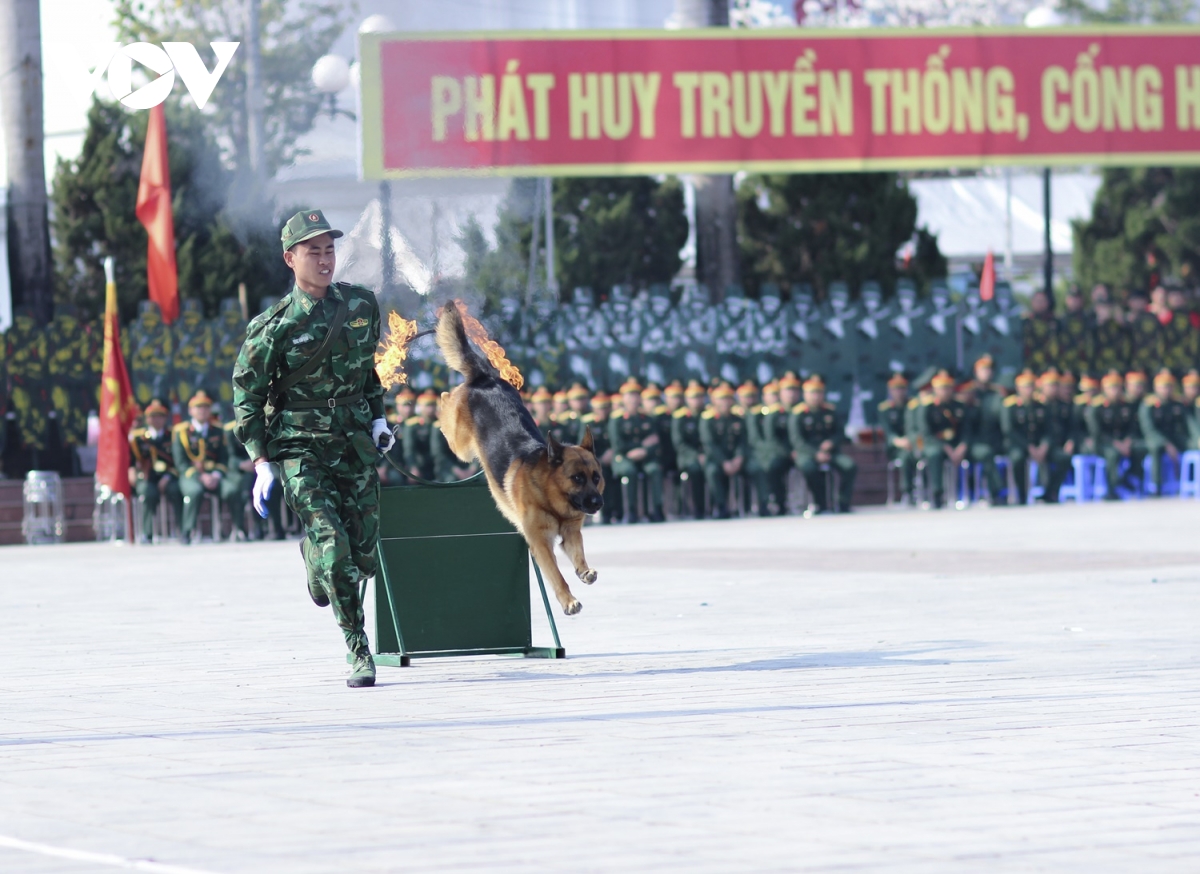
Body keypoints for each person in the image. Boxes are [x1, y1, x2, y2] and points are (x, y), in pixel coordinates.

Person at [232, 208, 390, 688]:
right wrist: (261, 461)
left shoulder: (361, 306)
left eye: (329, 249)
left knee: (364, 553)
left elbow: (367, 374)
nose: (324, 260)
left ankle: (317, 563)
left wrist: (379, 418)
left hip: (354, 444)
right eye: (313, 251)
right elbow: (247, 395)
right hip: (300, 450)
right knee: (335, 544)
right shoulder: (272, 326)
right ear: (290, 258)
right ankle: (358, 649)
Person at [173, 391, 234, 543]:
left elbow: (224, 458)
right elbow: (180, 463)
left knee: (231, 490)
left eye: (206, 407)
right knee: (194, 492)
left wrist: (215, 475)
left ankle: (237, 530)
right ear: (190, 410)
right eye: (198, 407)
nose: (202, 410)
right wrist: (200, 476)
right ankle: (187, 532)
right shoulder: (182, 432)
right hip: (191, 476)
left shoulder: (218, 431)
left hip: (214, 476)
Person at [789, 375, 856, 512]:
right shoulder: (798, 414)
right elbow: (797, 440)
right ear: (805, 394)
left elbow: (840, 433)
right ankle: (821, 503)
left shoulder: (830, 411)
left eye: (818, 392)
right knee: (809, 469)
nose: (816, 396)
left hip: (830, 452)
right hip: (807, 453)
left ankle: (843, 502)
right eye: (812, 393)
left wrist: (831, 443)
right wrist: (816, 454)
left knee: (850, 466)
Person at [609, 378, 665, 522]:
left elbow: (655, 442)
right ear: (623, 399)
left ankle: (656, 509)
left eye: (635, 395)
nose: (633, 399)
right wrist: (641, 446)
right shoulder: (617, 420)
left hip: (645, 457)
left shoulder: (647, 418)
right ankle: (631, 511)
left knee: (654, 469)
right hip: (624, 457)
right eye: (629, 396)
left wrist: (644, 451)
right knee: (629, 471)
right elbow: (618, 445)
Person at [128, 399, 182, 542]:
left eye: (160, 416)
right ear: (147, 419)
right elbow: (132, 461)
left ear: (165, 418)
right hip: (147, 476)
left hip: (168, 476)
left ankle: (181, 530)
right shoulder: (138, 438)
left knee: (177, 490)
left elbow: (178, 461)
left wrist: (167, 478)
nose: (156, 420)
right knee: (148, 493)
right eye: (152, 416)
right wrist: (132, 472)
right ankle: (147, 532)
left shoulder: (173, 435)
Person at [1087, 371, 1141, 499]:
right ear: (1104, 389)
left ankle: (1125, 479)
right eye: (1112, 388)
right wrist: (1116, 444)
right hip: (1104, 444)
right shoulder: (1096, 407)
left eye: (1117, 387)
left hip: (1124, 443)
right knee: (1112, 455)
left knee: (1141, 449)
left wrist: (1128, 441)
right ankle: (1112, 490)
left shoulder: (1126, 405)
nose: (1115, 391)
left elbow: (1133, 427)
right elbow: (1097, 433)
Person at [921, 370, 969, 509]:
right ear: (935, 389)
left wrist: (963, 445)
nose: (945, 391)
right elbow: (927, 433)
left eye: (948, 387)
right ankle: (937, 493)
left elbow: (967, 429)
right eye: (942, 388)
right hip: (937, 445)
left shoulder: (959, 406)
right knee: (934, 455)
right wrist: (945, 447)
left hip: (958, 445)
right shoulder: (928, 407)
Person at [700, 383, 747, 519]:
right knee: (712, 472)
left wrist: (739, 458)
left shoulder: (737, 419)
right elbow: (709, 444)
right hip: (716, 459)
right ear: (714, 401)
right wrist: (724, 462)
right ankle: (721, 506)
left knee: (755, 468)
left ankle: (753, 505)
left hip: (736, 460)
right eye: (721, 399)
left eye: (728, 398)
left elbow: (742, 441)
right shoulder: (707, 420)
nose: (725, 402)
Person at [1001, 371, 1049, 505]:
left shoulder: (1041, 405)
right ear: (1018, 388)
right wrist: (1029, 447)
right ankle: (1021, 494)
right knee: (1017, 459)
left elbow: (1049, 429)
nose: (1029, 390)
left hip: (1038, 445)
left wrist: (1044, 445)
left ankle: (1050, 493)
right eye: (1025, 386)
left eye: (1031, 386)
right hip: (1018, 445)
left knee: (1061, 457)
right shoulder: (1010, 405)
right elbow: (1009, 430)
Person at [963, 355, 1006, 503]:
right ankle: (997, 493)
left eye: (989, 370)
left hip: (994, 439)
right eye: (983, 370)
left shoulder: (997, 393)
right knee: (986, 453)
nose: (986, 373)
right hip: (975, 442)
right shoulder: (969, 393)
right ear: (976, 372)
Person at [1139, 369, 1189, 494]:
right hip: (1157, 440)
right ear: (1156, 388)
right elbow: (1149, 429)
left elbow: (1188, 423)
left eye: (1169, 387)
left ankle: (1189, 481)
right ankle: (1157, 486)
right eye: (1163, 387)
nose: (1167, 390)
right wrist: (1166, 444)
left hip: (1174, 438)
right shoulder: (1148, 404)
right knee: (1155, 449)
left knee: (1193, 445)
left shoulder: (1177, 403)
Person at [579, 391, 621, 523]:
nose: (603, 411)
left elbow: (619, 441)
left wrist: (613, 452)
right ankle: (603, 512)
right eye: (600, 408)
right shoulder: (588, 423)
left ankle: (617, 511)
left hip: (614, 457)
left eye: (606, 407)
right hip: (594, 460)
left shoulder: (614, 421)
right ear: (594, 408)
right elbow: (583, 445)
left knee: (615, 475)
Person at [752, 380, 792, 515]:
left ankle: (780, 503)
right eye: (770, 395)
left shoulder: (784, 413)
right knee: (762, 468)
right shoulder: (756, 414)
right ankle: (764, 504)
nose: (773, 398)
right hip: (761, 454)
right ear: (764, 397)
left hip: (782, 454)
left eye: (776, 394)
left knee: (774, 467)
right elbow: (756, 439)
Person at [671, 381, 708, 519]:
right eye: (693, 398)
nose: (696, 401)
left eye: (699, 397)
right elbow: (679, 443)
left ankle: (719, 506)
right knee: (695, 470)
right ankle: (698, 509)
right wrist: (697, 455)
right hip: (688, 457)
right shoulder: (680, 417)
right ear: (687, 399)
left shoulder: (707, 414)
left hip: (707, 456)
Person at [878, 374, 915, 505]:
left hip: (913, 444)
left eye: (902, 389)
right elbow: (888, 432)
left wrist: (911, 441)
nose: (899, 392)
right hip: (895, 446)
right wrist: (900, 442)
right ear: (890, 391)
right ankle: (907, 492)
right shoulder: (885, 409)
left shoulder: (912, 405)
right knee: (905, 457)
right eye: (895, 389)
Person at [1038, 370, 1072, 503]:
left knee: (1064, 458)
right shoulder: (1038, 404)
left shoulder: (1064, 405)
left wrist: (1071, 441)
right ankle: (1044, 491)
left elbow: (1072, 427)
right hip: (1039, 446)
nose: (1054, 389)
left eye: (1056, 385)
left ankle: (1052, 492)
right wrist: (1041, 446)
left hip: (1058, 445)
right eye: (1050, 385)